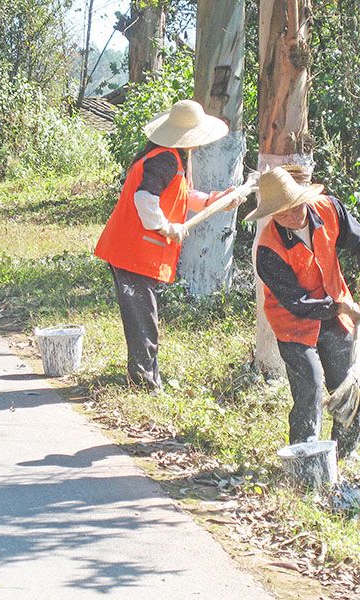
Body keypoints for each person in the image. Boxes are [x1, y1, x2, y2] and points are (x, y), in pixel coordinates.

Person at [95, 99, 238, 393]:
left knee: (143, 319)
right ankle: (144, 384)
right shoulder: (165, 160)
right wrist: (166, 227)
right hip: (133, 252)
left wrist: (215, 200)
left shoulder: (170, 158)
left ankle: (146, 378)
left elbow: (182, 196)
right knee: (143, 322)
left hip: (135, 252)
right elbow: (145, 200)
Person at [247, 166, 360, 458]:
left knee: (350, 381)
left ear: (302, 198)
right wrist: (340, 306)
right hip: (293, 323)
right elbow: (297, 303)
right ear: (272, 215)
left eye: (295, 207)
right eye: (282, 214)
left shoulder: (328, 209)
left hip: (336, 311)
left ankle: (343, 453)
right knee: (309, 385)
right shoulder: (268, 249)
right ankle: (304, 456)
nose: (292, 217)